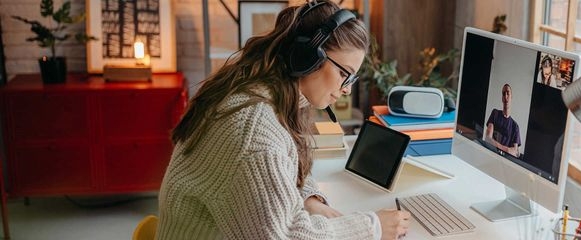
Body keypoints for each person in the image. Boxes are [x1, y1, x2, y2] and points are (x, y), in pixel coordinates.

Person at [157, 1, 410, 239]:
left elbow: (284, 169)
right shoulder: (255, 132)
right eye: (344, 73)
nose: (347, 90)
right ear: (308, 57)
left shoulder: (261, 93)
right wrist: (372, 227)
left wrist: (310, 200)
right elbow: (284, 234)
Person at [484, 84, 522, 157]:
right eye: (503, 94)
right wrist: (507, 150)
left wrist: (497, 146)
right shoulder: (495, 113)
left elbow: (515, 152)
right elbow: (488, 139)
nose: (506, 96)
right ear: (502, 98)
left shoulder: (515, 126)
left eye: (508, 93)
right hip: (490, 155)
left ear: (511, 97)